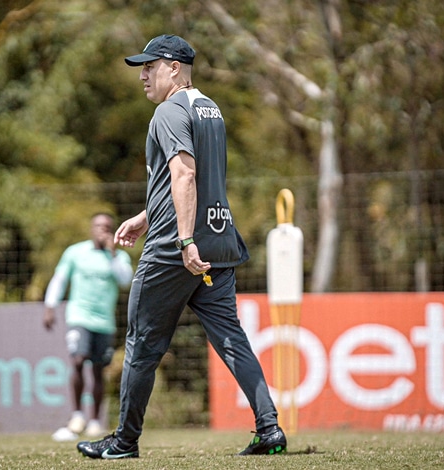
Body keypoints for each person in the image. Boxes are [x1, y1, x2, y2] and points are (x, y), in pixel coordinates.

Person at [76, 35, 287, 460]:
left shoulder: (167, 111)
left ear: (173, 67)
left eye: (149, 66)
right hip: (220, 242)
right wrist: (145, 215)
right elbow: (191, 183)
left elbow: (185, 176)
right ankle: (270, 430)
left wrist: (185, 241)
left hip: (178, 251)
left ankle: (124, 441)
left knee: (140, 344)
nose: (142, 75)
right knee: (232, 340)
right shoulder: (210, 107)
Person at [43, 213, 133, 442]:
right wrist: (50, 306)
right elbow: (60, 279)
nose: (102, 231)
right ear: (91, 228)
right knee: (77, 359)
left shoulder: (119, 257)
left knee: (98, 370)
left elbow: (125, 281)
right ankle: (76, 416)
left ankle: (94, 421)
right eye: (99, 226)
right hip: (79, 317)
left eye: (107, 227)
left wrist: (112, 253)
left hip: (104, 322)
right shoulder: (75, 252)